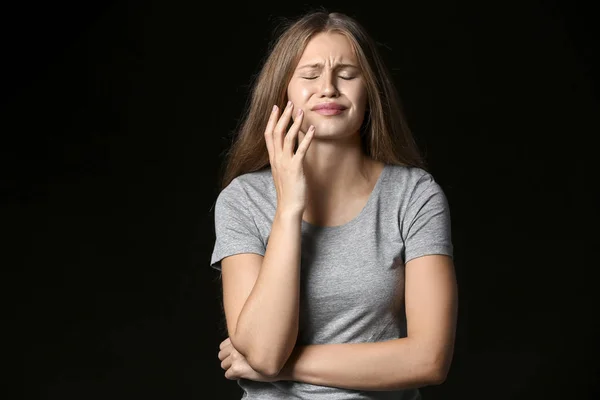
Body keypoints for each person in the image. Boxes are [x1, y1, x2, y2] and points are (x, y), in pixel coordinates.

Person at [210, 9, 458, 400]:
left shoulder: (414, 196)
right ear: (282, 92)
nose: (328, 88)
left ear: (369, 90)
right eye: (309, 75)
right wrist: (289, 206)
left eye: (346, 74)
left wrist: (284, 365)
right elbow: (264, 348)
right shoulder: (242, 200)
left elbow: (428, 360)